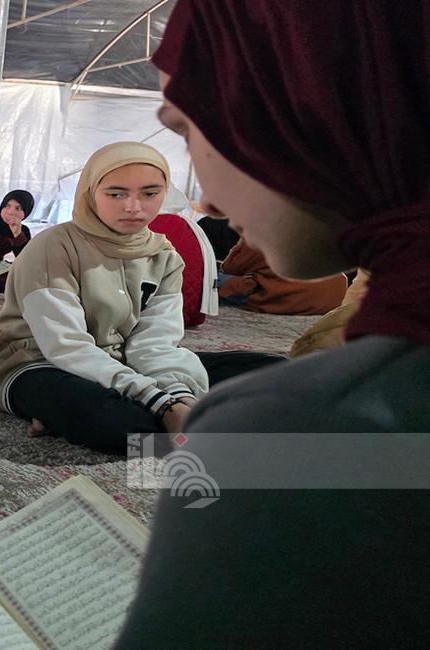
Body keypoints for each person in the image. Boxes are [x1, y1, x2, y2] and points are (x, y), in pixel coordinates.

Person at [116, 2, 430, 646]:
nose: (205, 197)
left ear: (308, 106)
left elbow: (171, 324)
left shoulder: (316, 425)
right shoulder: (57, 248)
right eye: (118, 193)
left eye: (191, 128)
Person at [0, 142, 282, 453]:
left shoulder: (164, 255)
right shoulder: (53, 248)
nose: (133, 207)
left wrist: (179, 396)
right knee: (116, 423)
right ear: (91, 193)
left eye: (150, 194)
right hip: (41, 361)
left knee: (276, 373)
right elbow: (66, 345)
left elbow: (155, 341)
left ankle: (168, 418)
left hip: (125, 358)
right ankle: (184, 419)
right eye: (116, 194)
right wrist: (162, 404)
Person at [217, 238, 347, 314]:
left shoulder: (263, 227)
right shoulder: (319, 225)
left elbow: (230, 267)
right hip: (333, 296)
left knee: (211, 278)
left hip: (289, 295)